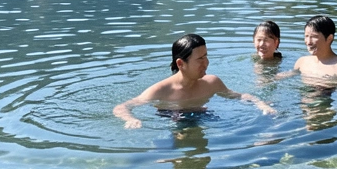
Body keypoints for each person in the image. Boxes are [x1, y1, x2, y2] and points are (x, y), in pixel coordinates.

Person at [113, 34, 276, 129]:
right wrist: (130, 119)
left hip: (202, 115)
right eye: (200, 59)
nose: (206, 63)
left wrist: (261, 104)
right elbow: (122, 107)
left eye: (206, 56)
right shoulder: (161, 91)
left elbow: (240, 96)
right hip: (171, 120)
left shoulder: (211, 82)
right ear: (180, 64)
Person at [280, 15, 337, 81]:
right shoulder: (302, 62)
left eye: (314, 37)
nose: (308, 42)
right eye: (306, 36)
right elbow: (291, 74)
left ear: (329, 38)